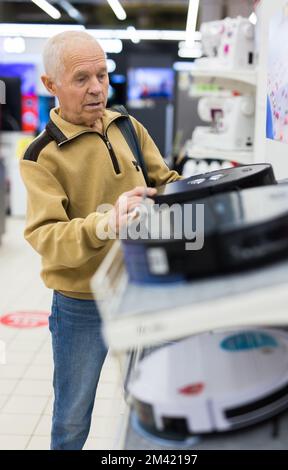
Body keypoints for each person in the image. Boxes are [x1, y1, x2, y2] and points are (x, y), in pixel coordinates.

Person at [19, 31, 180, 450]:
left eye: (102, 75)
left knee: (154, 403)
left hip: (144, 290)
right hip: (80, 304)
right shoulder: (42, 156)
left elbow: (166, 184)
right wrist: (105, 224)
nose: (96, 89)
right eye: (81, 79)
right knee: (72, 419)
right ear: (50, 85)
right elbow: (46, 235)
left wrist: (208, 192)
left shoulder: (127, 125)